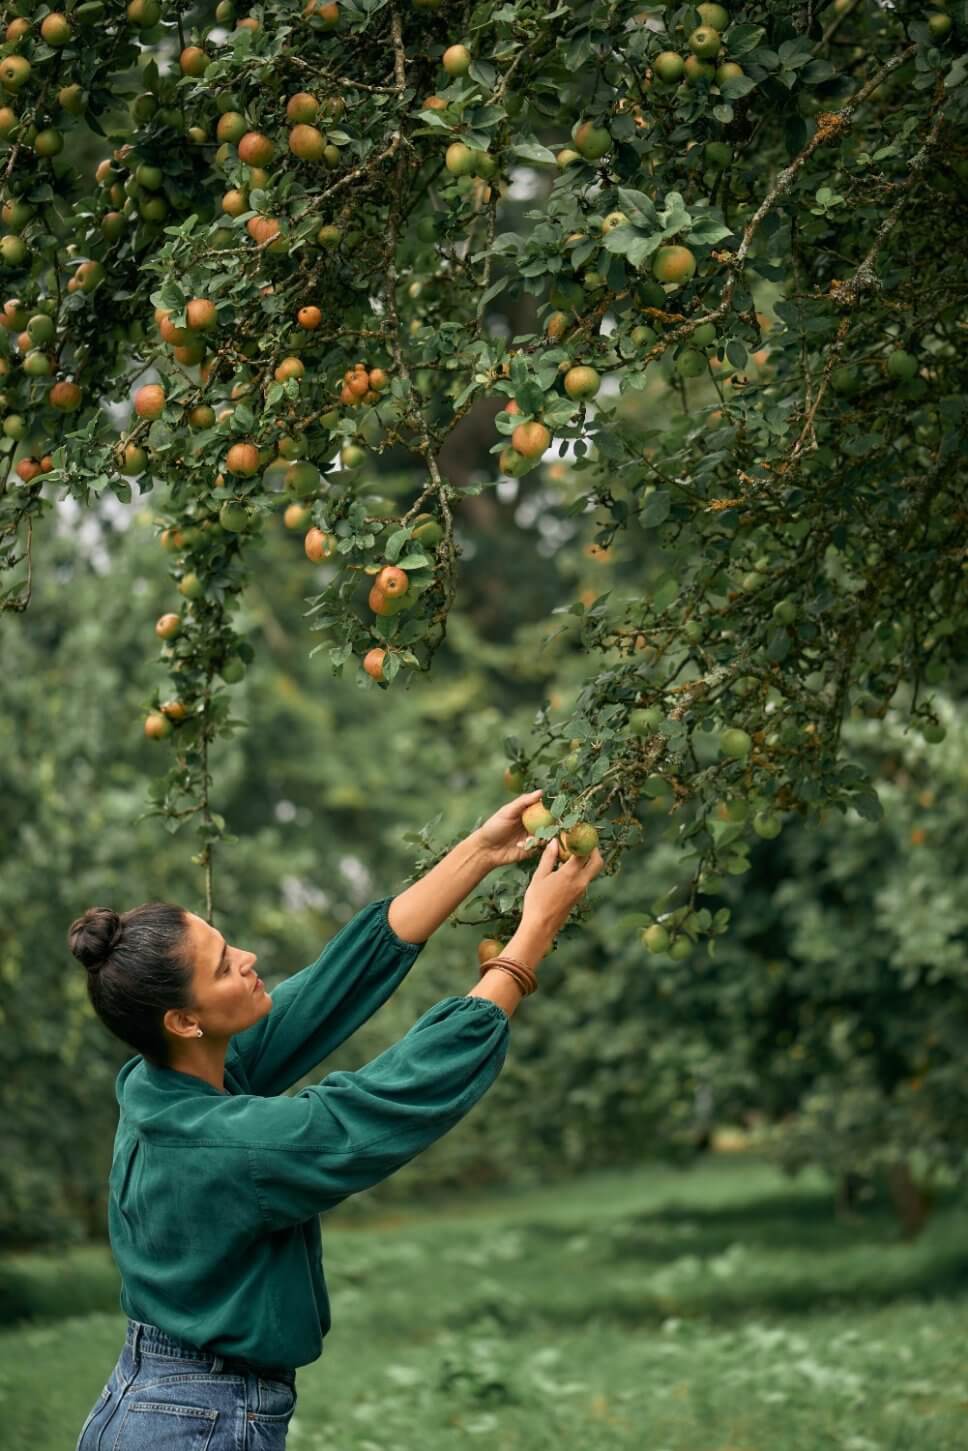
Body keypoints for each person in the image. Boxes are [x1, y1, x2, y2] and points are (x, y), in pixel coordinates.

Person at [69, 790, 604, 1449]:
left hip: (159, 1400)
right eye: (223, 965)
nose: (249, 958)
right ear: (184, 1018)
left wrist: (482, 851)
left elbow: (333, 982)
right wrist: (528, 946)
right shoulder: (220, 1146)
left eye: (228, 942)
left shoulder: (165, 1077)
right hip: (193, 1421)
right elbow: (370, 1107)